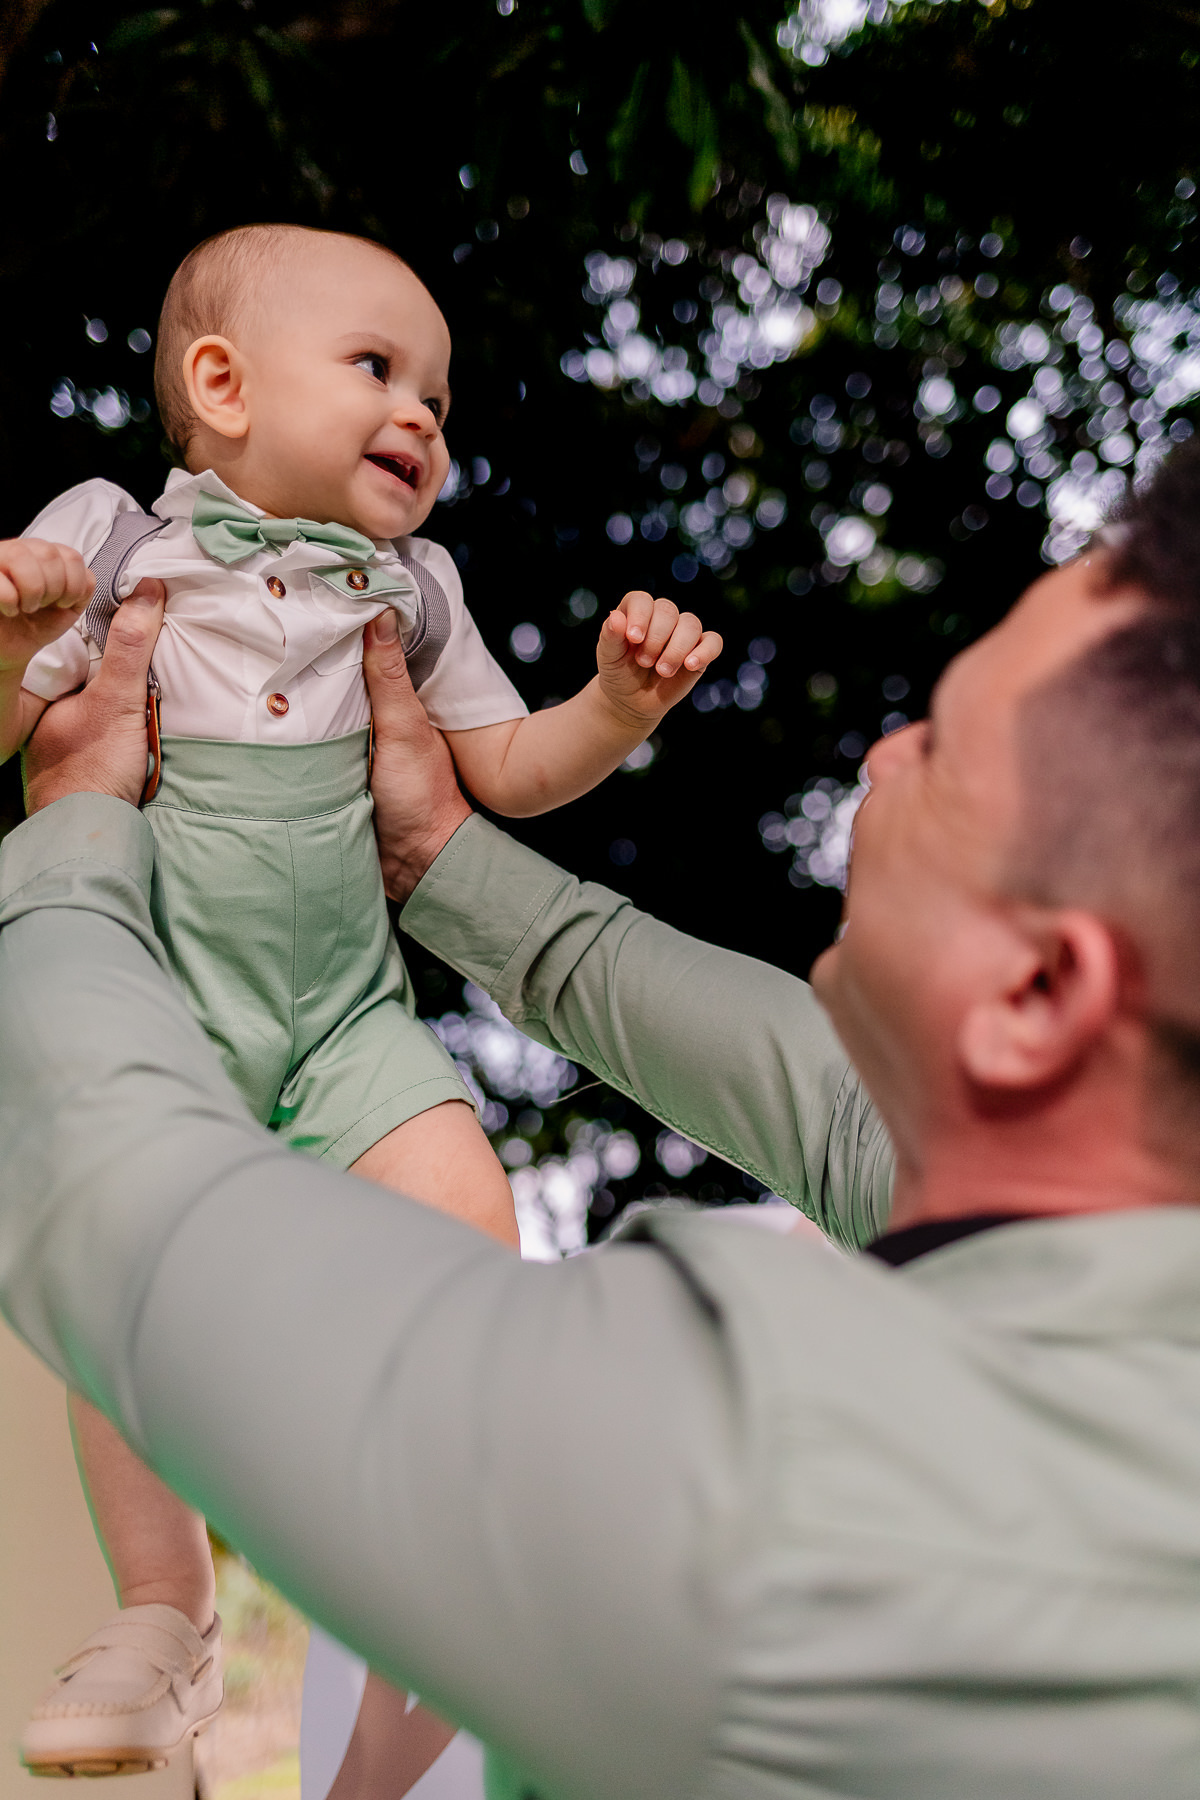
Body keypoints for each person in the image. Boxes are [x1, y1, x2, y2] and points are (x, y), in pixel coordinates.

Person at [6, 445, 1200, 1796]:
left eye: (945, 743)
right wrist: (438, 854)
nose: (883, 749)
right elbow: (754, 1059)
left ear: (1042, 989)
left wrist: (73, 830)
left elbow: (112, 1195)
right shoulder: (1095, 1263)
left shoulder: (776, 1484)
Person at [0, 223, 720, 1780]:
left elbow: (505, 773)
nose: (425, 418)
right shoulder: (119, 540)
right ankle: (163, 1612)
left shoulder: (417, 589)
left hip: (342, 1016)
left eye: (443, 401)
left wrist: (615, 706)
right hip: (160, 1013)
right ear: (222, 385)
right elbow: (16, 737)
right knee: (116, 1303)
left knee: (472, 1229)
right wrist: (9, 642)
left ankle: (426, 1602)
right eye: (381, 371)